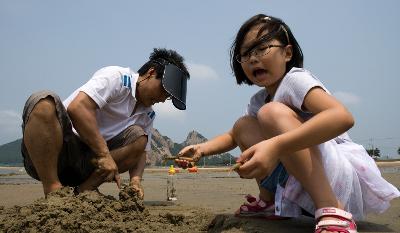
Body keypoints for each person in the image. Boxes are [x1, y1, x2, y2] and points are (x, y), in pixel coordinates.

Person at [176, 14, 399, 233]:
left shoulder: (295, 80)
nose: (253, 58)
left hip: (335, 179)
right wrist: (201, 150)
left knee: (270, 113)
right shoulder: (257, 101)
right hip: (300, 182)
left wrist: (275, 146)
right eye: (246, 53)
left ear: (287, 52)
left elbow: (342, 117)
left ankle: (332, 209)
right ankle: (270, 202)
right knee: (244, 125)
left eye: (262, 48)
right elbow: (234, 136)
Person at [21, 48, 190, 199]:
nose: (162, 99)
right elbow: (77, 108)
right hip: (57, 153)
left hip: (86, 168)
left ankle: (85, 191)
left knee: (140, 137)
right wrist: (104, 155)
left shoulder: (148, 114)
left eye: (167, 97)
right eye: (163, 91)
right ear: (151, 73)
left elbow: (142, 152)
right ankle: (53, 191)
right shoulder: (116, 78)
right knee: (43, 102)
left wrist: (136, 180)